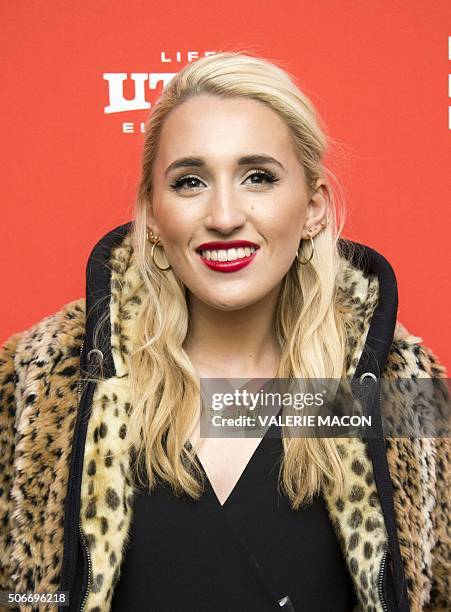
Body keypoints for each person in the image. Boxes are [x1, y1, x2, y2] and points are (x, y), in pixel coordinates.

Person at [0, 51, 449, 612]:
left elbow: (434, 591)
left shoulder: (401, 388)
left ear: (313, 208)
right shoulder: (42, 382)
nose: (224, 215)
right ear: (153, 215)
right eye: (190, 181)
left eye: (258, 177)